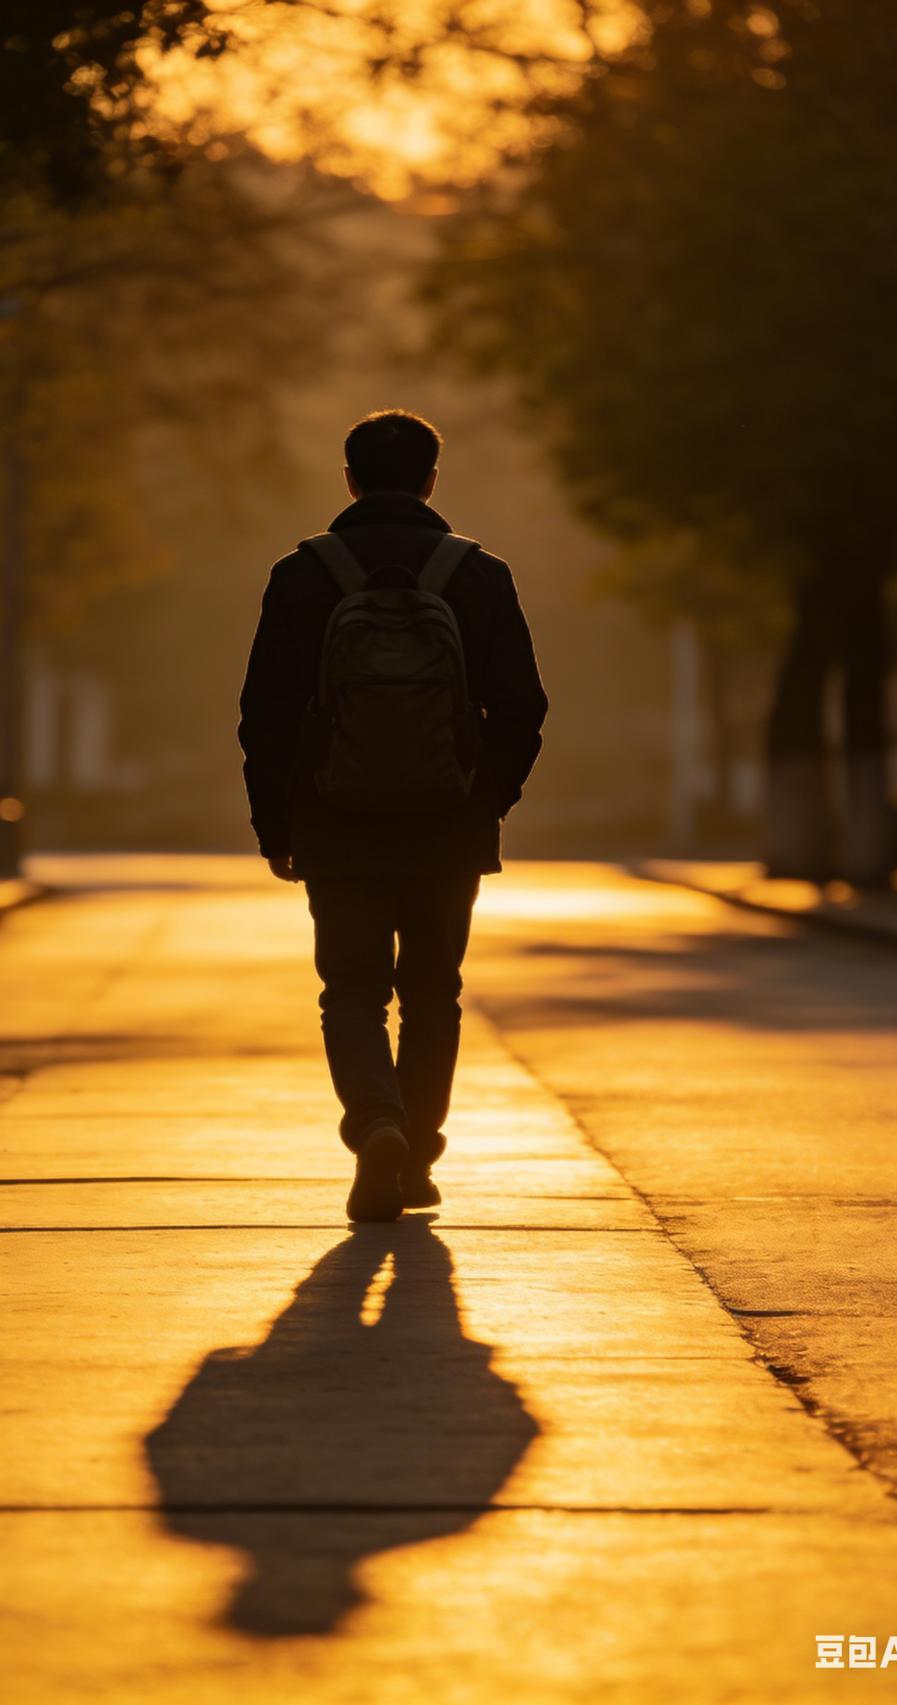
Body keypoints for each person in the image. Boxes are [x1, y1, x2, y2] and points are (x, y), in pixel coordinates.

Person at [239, 409, 548, 1222]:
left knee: (352, 992)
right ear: (431, 480)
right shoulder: (479, 575)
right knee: (432, 994)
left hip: (335, 820)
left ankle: (377, 1122)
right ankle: (415, 1157)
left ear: (349, 479)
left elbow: (264, 714)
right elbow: (523, 708)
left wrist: (277, 826)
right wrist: (484, 801)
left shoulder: (301, 575)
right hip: (447, 824)